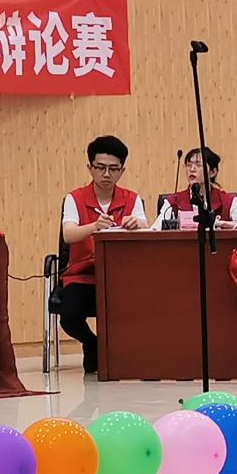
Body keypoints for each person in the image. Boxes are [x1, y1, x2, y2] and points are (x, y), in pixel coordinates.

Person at [58, 135, 146, 375]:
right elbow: (68, 234)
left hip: (121, 278)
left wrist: (136, 224)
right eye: (100, 167)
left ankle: (129, 357)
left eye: (113, 169)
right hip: (83, 276)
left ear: (122, 171)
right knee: (69, 316)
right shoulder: (75, 198)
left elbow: (146, 226)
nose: (106, 174)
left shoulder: (132, 199)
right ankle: (92, 343)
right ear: (90, 168)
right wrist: (95, 226)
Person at [152, 147, 237, 230]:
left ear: (212, 172)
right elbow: (155, 231)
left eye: (198, 165)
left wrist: (226, 225)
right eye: (188, 165)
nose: (192, 169)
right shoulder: (173, 201)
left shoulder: (228, 201)